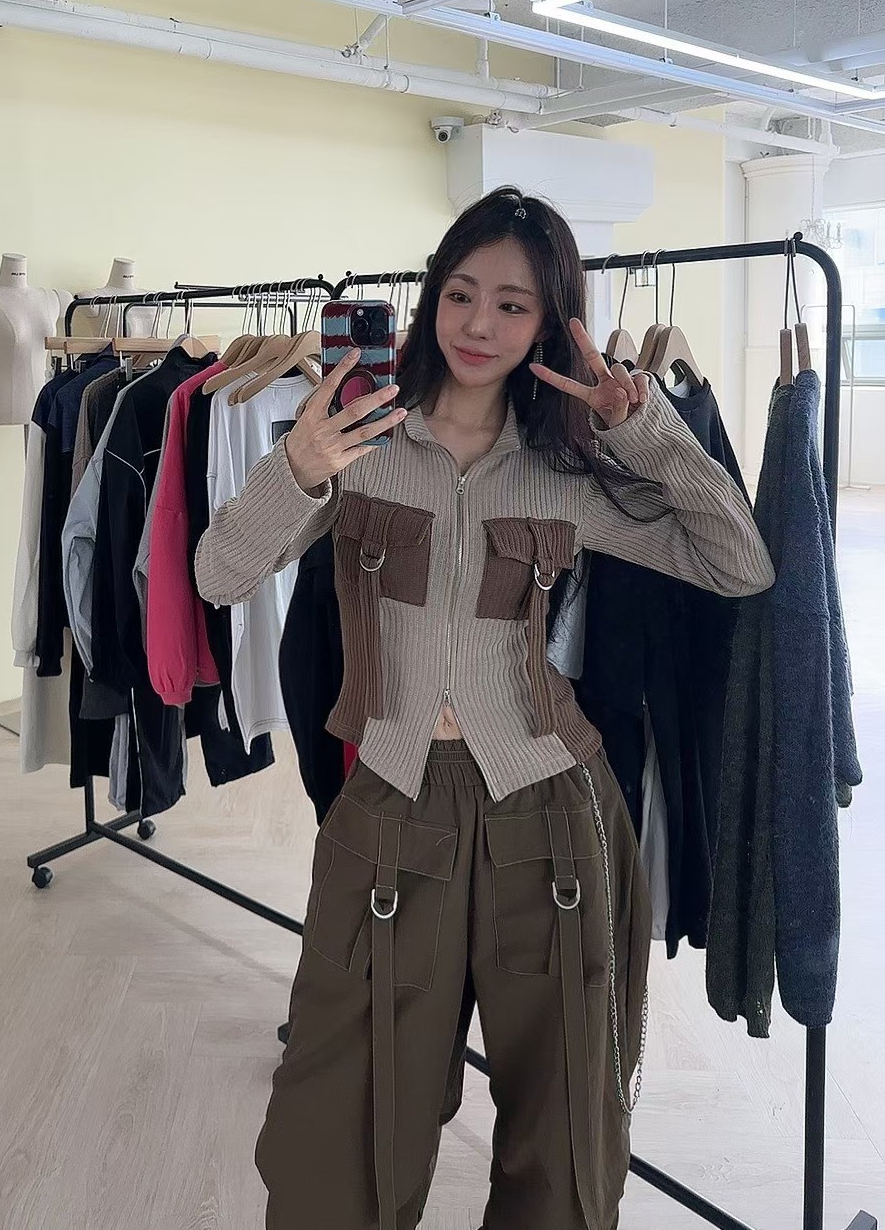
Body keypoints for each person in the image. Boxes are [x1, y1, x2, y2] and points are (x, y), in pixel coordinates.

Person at [195, 187, 774, 1230]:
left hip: (551, 818)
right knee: (338, 1131)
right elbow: (216, 574)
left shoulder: (569, 473)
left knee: (564, 1138)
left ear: (548, 324)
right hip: (388, 810)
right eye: (460, 294)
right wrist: (296, 469)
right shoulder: (358, 441)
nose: (477, 324)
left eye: (512, 305)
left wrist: (645, 430)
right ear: (428, 301)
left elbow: (739, 563)